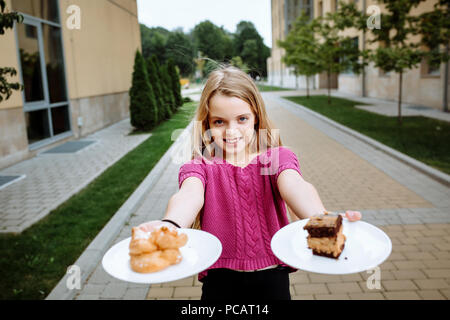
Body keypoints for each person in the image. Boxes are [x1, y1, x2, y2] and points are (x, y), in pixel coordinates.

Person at [138, 64, 362, 300]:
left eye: (242, 119)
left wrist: (325, 221)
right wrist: (170, 224)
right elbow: (189, 196)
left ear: (256, 117)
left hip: (272, 278)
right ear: (207, 124)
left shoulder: (276, 157)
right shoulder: (200, 166)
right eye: (219, 122)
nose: (231, 131)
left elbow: (296, 186)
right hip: (219, 280)